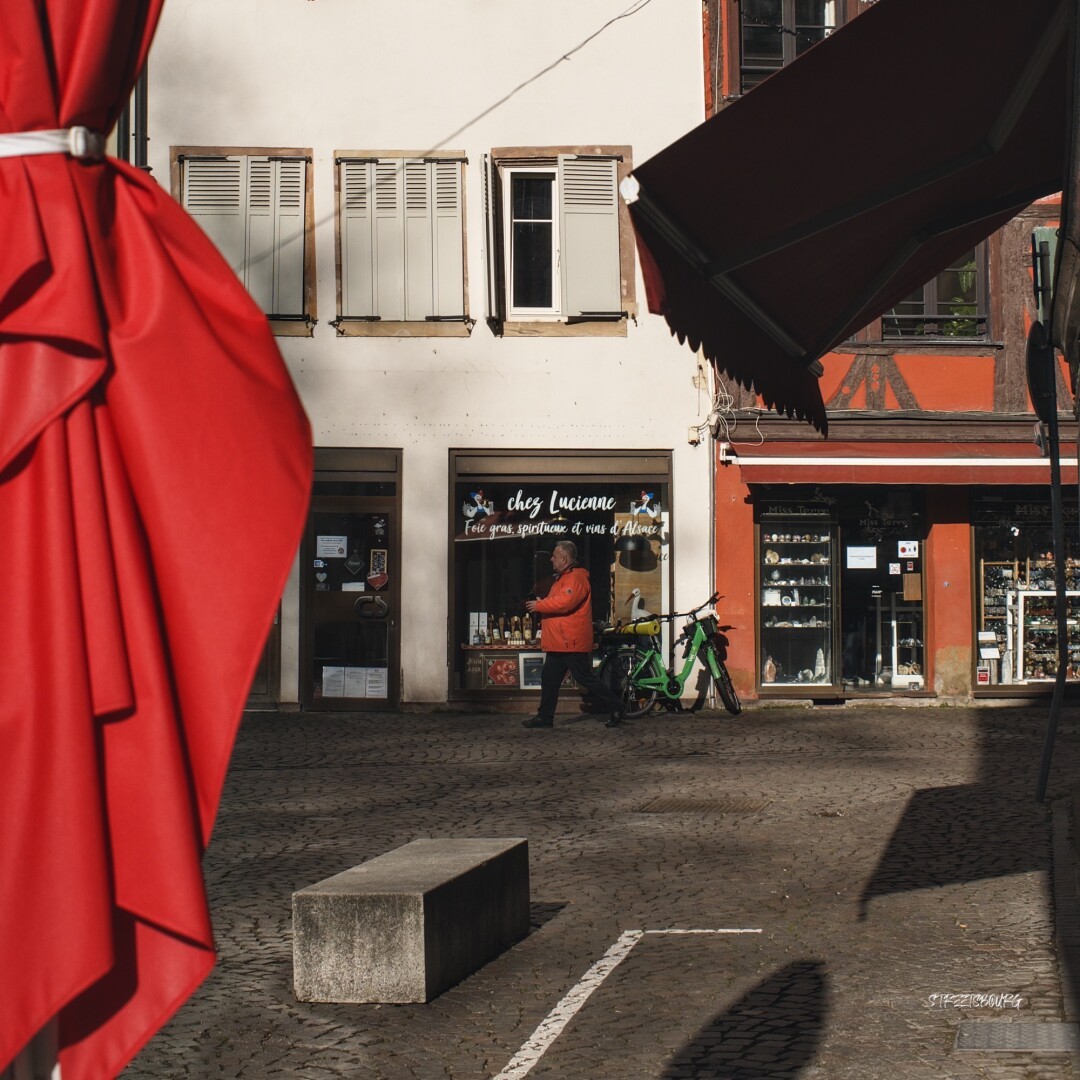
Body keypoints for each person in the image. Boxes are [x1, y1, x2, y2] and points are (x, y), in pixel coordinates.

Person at [522, 540, 622, 728]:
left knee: (584, 677)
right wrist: (543, 602)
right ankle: (544, 717)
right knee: (550, 677)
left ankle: (616, 704)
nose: (551, 559)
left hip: (569, 640)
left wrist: (540, 605)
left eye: (554, 556)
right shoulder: (564, 578)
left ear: (565, 558)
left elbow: (565, 603)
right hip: (561, 641)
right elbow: (560, 600)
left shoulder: (576, 578)